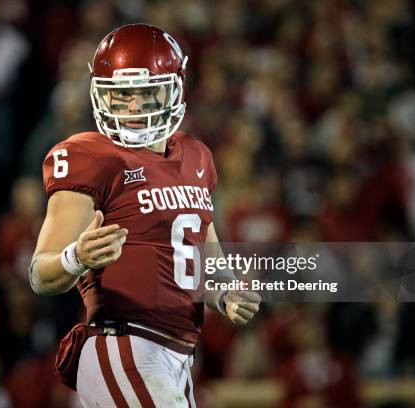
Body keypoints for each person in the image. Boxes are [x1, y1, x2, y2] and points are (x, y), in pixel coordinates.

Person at [29, 24, 260, 407]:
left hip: (178, 356)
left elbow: (205, 247)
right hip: (125, 345)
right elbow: (40, 274)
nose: (133, 107)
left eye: (147, 93)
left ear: (174, 90)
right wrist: (77, 258)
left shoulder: (196, 156)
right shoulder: (90, 156)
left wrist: (224, 291)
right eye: (121, 96)